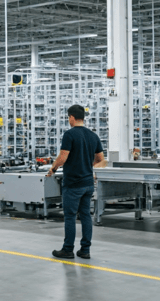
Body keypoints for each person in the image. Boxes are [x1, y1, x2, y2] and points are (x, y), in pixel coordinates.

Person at [47, 104, 104, 260]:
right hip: (87, 183)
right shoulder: (93, 136)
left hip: (73, 183)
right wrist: (86, 165)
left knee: (70, 216)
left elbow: (63, 158)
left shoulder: (69, 135)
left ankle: (68, 249)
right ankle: (85, 250)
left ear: (71, 117)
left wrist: (53, 167)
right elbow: (100, 159)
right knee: (85, 215)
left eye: (68, 117)